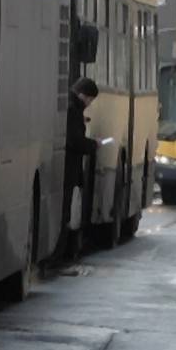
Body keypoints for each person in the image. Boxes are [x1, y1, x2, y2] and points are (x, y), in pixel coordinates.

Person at [60, 77, 100, 261]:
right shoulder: (73, 110)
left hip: (66, 168)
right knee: (66, 211)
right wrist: (93, 145)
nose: (89, 104)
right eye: (90, 100)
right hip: (68, 169)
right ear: (84, 95)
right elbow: (75, 141)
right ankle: (63, 252)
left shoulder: (69, 106)